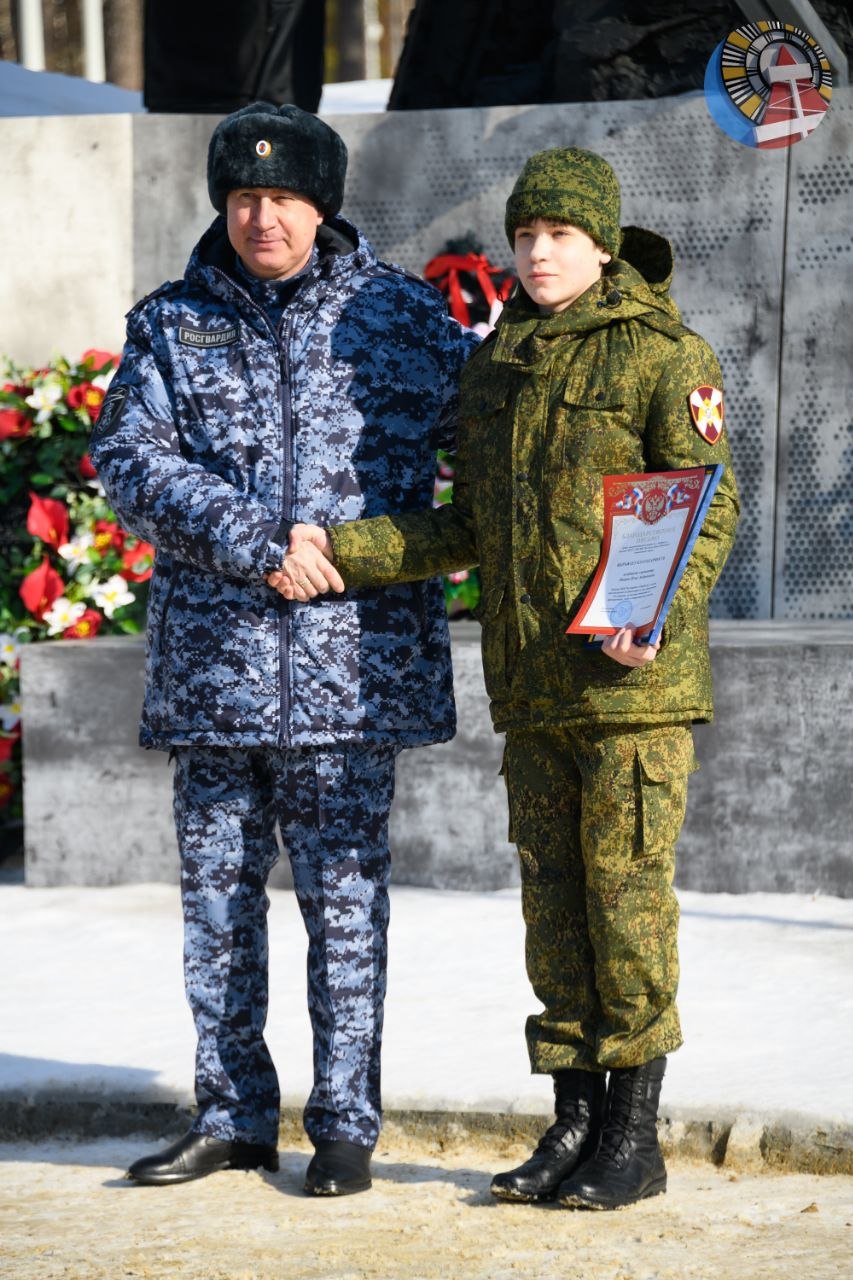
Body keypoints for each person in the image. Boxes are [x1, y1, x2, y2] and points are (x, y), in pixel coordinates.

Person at [275, 147, 740, 1210]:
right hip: (531, 686)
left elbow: (703, 502)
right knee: (554, 909)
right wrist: (340, 549)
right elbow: (463, 526)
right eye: (524, 235)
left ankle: (635, 1133)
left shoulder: (663, 357)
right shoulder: (497, 369)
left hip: (631, 687)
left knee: (626, 904)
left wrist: (657, 611)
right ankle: (572, 1118)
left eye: (559, 236)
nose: (535, 252)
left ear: (601, 244)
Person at [90, 102, 477, 1195]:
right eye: (245, 197)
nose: (264, 216)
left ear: (323, 206)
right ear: (223, 203)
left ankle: (345, 1122)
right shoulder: (171, 323)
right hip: (218, 671)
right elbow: (127, 455)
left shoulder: (399, 318)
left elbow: (495, 450)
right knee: (218, 907)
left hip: (353, 673)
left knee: (346, 904)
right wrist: (260, 545)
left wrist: (365, 552)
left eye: (285, 197)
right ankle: (232, 1114)